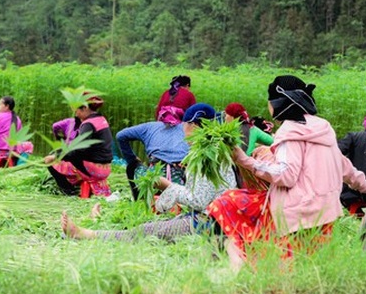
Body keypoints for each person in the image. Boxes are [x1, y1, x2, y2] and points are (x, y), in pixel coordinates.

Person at [208, 75, 366, 271]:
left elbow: (286, 175)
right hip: (325, 215)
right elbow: (344, 166)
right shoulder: (323, 129)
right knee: (306, 271)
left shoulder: (289, 131)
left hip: (296, 215)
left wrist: (244, 160)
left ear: (279, 103)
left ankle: (223, 270)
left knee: (225, 203)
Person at [61, 103, 236, 241]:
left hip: (210, 224)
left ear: (195, 126)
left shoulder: (209, 156)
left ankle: (84, 234)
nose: (183, 133)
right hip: (206, 217)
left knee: (146, 231)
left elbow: (199, 201)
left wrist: (167, 186)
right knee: (155, 224)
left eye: (185, 127)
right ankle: (96, 227)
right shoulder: (210, 150)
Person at [45, 95, 113, 197]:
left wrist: (55, 157)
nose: (75, 113)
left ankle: (69, 192)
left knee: (52, 162)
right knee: (63, 154)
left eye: (76, 109)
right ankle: (80, 187)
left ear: (85, 108)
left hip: (94, 170)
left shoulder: (88, 124)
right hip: (106, 168)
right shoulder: (101, 119)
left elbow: (79, 150)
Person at [118, 105, 189, 200]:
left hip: (154, 177)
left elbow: (120, 135)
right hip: (179, 179)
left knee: (132, 166)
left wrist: (132, 158)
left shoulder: (150, 126)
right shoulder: (187, 129)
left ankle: (140, 200)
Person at [224, 102, 274, 189]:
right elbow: (273, 141)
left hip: (239, 173)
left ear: (232, 116)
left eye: (226, 115)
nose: (225, 118)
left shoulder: (226, 133)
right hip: (253, 171)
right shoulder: (252, 129)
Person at [0, 96, 33, 167]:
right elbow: (20, 138)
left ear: (6, 106)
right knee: (29, 146)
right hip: (11, 152)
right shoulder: (17, 119)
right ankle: (21, 164)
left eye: (0, 104)